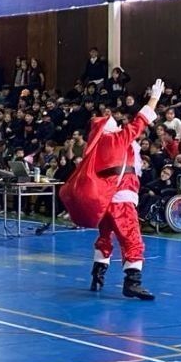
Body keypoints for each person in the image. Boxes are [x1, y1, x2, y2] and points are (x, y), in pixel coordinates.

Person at [60, 79, 165, 301]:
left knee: (105, 235)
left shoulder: (96, 146)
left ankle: (97, 275)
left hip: (106, 199)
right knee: (132, 237)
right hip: (121, 198)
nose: (118, 124)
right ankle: (132, 282)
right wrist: (154, 98)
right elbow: (140, 122)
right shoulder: (115, 140)